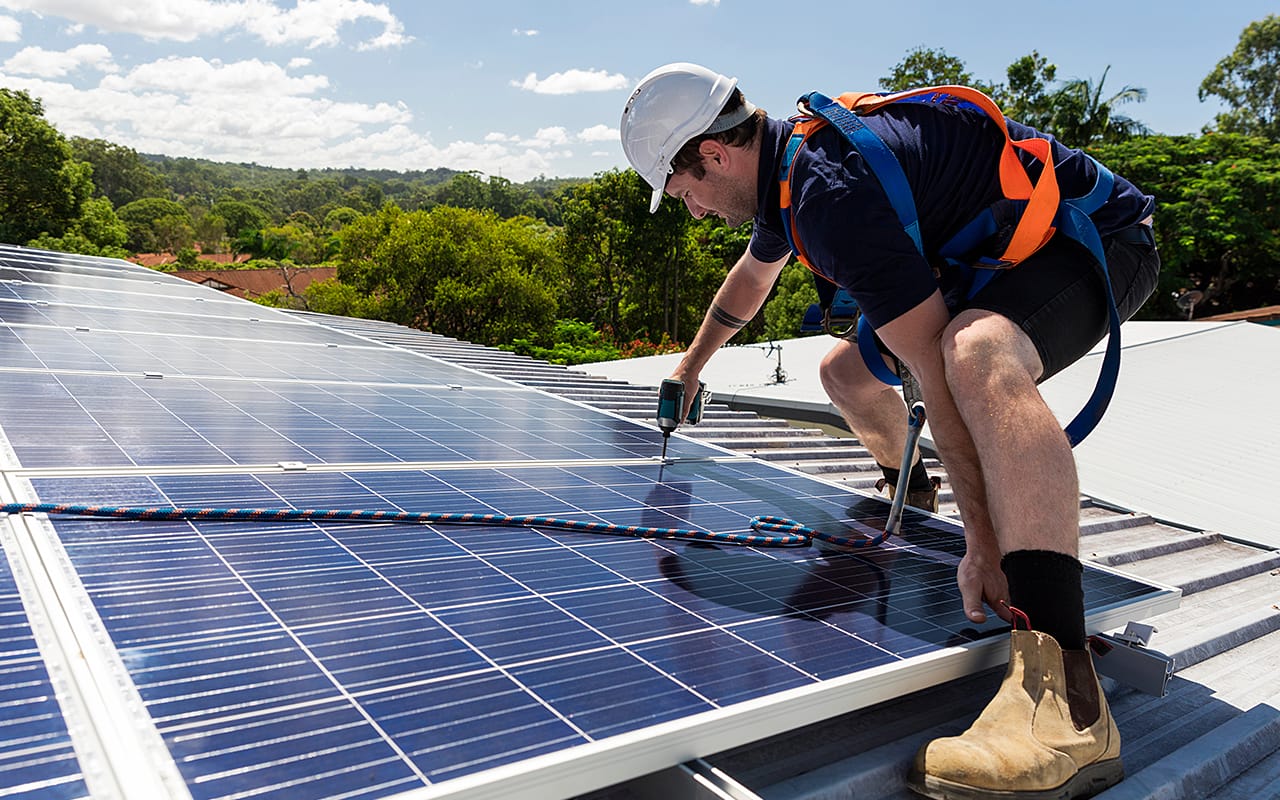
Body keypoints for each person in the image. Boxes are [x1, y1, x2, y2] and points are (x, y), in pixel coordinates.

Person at [619, 63, 1160, 800]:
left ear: (713, 154)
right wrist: (688, 370)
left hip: (1095, 242)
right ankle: (912, 492)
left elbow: (934, 377)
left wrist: (986, 544)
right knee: (845, 374)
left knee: (973, 354)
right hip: (992, 263)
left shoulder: (829, 194)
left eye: (686, 193)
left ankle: (1066, 699)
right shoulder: (785, 175)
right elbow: (749, 282)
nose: (694, 212)